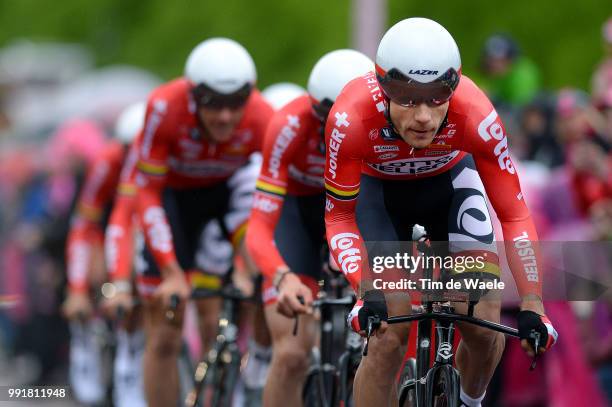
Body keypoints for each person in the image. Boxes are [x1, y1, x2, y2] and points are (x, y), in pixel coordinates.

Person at [323, 18, 558, 407]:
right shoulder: (350, 117)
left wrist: (534, 304)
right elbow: (339, 217)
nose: (423, 117)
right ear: (383, 88)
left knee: (484, 328)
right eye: (408, 98)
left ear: (454, 86)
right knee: (387, 335)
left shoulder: (477, 114)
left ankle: (467, 400)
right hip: (380, 198)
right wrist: (367, 291)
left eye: (437, 98)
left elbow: (514, 216)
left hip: (449, 188)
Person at [133, 37, 273, 407]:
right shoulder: (164, 106)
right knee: (164, 332)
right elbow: (146, 192)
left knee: (249, 285)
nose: (225, 116)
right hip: (174, 200)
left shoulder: (262, 115)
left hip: (229, 193)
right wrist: (170, 270)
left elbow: (271, 200)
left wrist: (254, 268)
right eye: (213, 103)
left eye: (235, 104)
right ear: (194, 96)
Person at [246, 49, 373, 407]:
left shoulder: (388, 125)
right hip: (297, 216)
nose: (338, 127)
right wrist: (281, 276)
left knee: (384, 344)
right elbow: (258, 226)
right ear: (313, 109)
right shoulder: (287, 125)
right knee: (291, 354)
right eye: (326, 119)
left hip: (356, 213)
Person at [61, 104, 144, 405]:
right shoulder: (106, 161)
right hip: (104, 223)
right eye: (128, 151)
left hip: (140, 220)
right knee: (97, 274)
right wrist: (78, 289)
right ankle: (85, 340)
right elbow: (85, 225)